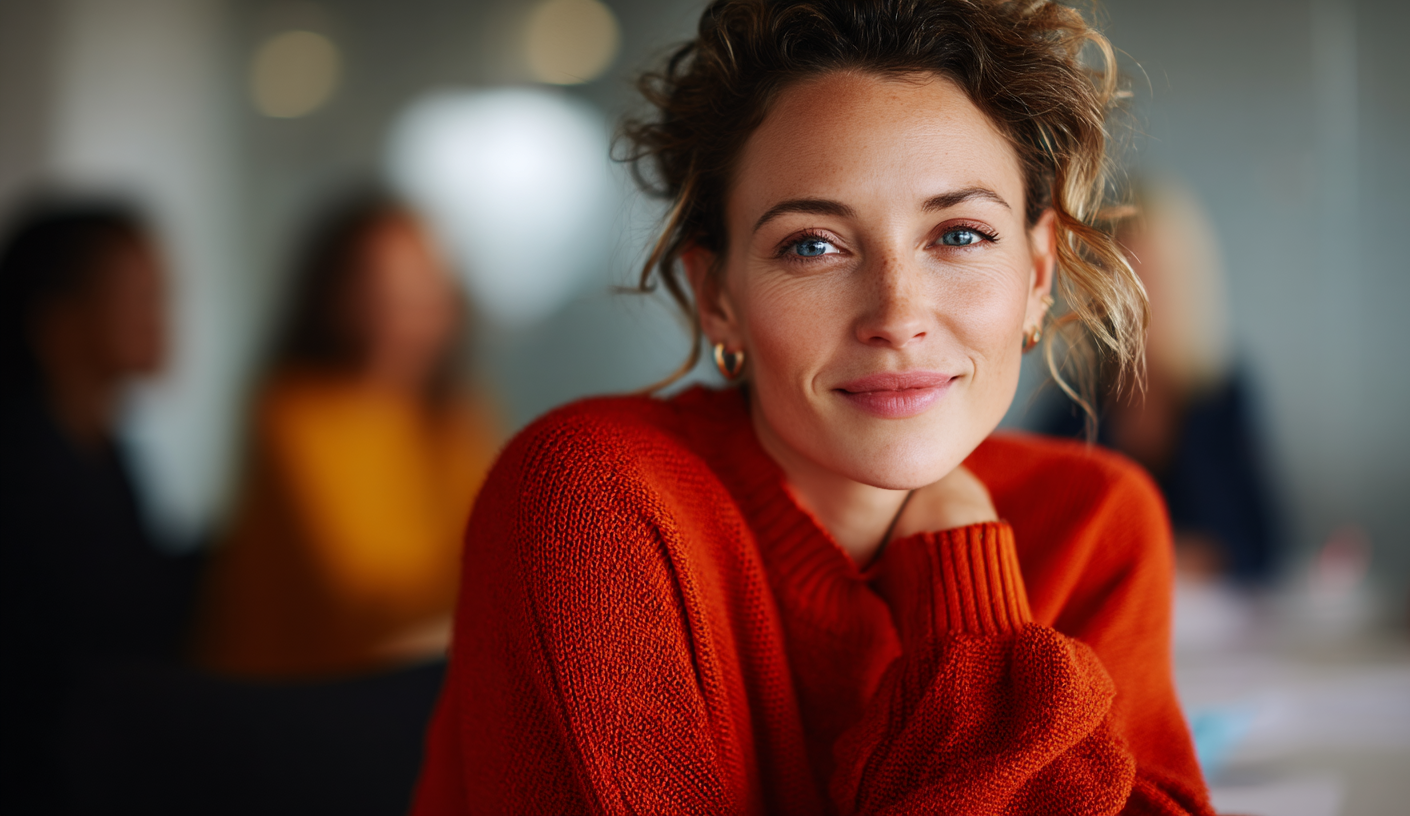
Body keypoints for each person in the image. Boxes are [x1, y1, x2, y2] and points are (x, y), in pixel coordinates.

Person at [413, 1, 1212, 813]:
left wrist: (959, 578)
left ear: (1037, 274)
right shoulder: (592, 499)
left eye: (961, 235)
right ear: (717, 296)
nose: (898, 315)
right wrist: (970, 607)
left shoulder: (1096, 521)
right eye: (813, 245)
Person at [195, 196, 500, 678]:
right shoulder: (293, 413)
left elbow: (490, 543)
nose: (412, 309)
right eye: (387, 290)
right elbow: (355, 595)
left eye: (425, 285)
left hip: (405, 686)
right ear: (334, 295)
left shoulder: (453, 413)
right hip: (296, 699)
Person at [0, 201, 198, 812]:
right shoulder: (24, 470)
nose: (163, 319)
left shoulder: (106, 451)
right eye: (140, 297)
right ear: (57, 322)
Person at [1038, 179, 1280, 584]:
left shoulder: (1221, 396)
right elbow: (1050, 540)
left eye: (1156, 276)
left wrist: (1139, 553)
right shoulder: (1073, 397)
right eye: (1125, 275)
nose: (1140, 297)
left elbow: (1258, 545)